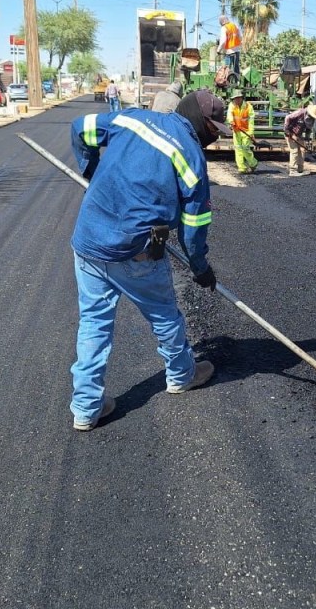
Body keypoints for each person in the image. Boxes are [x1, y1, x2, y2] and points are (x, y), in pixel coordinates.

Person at [67, 89, 232, 431]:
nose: (214, 137)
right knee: (165, 316)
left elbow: (81, 128)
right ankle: (182, 375)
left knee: (94, 324)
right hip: (137, 253)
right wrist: (200, 268)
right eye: (213, 129)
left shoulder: (131, 118)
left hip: (89, 242)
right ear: (197, 120)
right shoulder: (190, 156)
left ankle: (85, 408)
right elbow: (194, 226)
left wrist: (91, 169)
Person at [283, 103, 316, 177]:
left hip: (299, 134)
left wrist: (307, 139)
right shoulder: (300, 113)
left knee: (302, 150)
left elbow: (308, 129)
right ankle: (293, 171)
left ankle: (300, 169)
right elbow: (287, 118)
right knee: (294, 151)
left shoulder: (311, 119)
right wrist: (288, 131)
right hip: (290, 132)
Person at [228, 89, 259, 174]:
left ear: (241, 98)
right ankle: (242, 168)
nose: (236, 100)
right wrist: (231, 122)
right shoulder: (232, 105)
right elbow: (229, 115)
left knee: (245, 148)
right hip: (236, 130)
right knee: (238, 149)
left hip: (246, 131)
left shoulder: (248, 107)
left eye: (238, 98)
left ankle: (253, 163)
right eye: (235, 98)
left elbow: (251, 121)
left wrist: (251, 132)